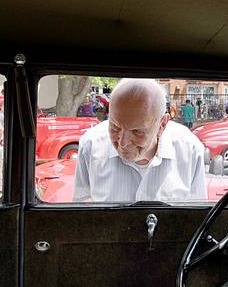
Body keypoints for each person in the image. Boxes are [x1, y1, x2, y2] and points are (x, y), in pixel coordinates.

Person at [73, 79, 206, 203]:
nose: (123, 142)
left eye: (137, 131)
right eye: (114, 126)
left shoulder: (190, 150)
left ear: (162, 124)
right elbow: (78, 214)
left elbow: (200, 218)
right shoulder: (90, 145)